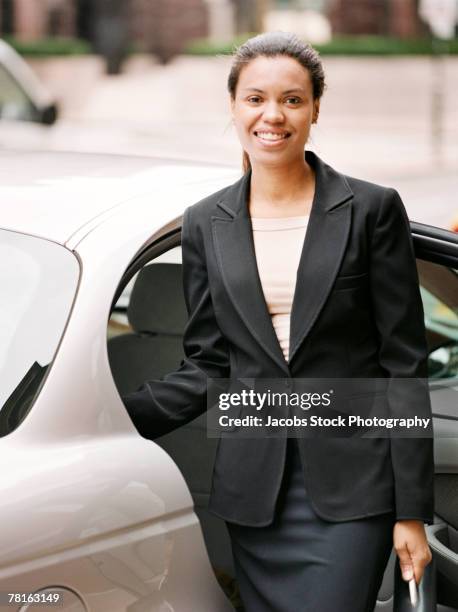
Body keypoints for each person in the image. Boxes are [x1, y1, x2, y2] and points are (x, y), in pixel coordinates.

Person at [122, 31, 434, 612]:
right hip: (253, 491)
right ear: (234, 107)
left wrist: (411, 511)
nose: (273, 115)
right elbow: (209, 365)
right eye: (256, 98)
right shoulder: (203, 223)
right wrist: (112, 420)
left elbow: (403, 365)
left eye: (292, 100)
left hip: (353, 490)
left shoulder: (370, 209)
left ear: (316, 108)